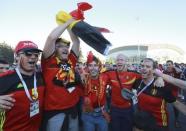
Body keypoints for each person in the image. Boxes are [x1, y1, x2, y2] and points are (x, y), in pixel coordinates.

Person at [41, 18, 81, 131]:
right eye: (60, 46)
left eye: (66, 46)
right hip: (54, 112)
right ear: (54, 49)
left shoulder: (71, 61)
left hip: (73, 109)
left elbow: (76, 42)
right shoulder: (48, 61)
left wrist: (71, 26)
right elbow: (51, 38)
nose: (65, 48)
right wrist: (68, 21)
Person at [0, 41, 45, 130]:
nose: (33, 57)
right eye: (28, 54)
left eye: (36, 55)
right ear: (16, 56)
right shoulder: (4, 78)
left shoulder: (41, 76)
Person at [133, 58, 172, 131]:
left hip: (159, 124)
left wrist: (160, 77)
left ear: (154, 70)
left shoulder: (162, 85)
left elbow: (174, 102)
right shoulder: (138, 82)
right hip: (143, 121)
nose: (144, 68)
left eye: (148, 67)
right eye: (142, 66)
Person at [105, 54, 141, 131]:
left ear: (126, 62)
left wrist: (160, 77)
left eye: (121, 60)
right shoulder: (109, 73)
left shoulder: (134, 73)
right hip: (114, 109)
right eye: (118, 60)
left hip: (128, 109)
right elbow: (97, 76)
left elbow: (148, 75)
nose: (119, 62)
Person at [81, 52, 110, 131]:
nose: (93, 68)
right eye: (90, 65)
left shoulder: (106, 77)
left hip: (102, 114)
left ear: (99, 67)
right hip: (88, 114)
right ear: (87, 67)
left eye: (95, 65)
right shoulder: (82, 78)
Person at [163, 60, 182, 127]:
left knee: (175, 108)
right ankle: (165, 121)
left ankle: (176, 120)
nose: (168, 66)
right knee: (164, 107)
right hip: (166, 92)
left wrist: (174, 67)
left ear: (172, 65)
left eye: (169, 64)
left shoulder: (175, 71)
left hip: (174, 92)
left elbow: (180, 71)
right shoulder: (165, 72)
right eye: (167, 65)